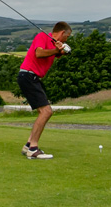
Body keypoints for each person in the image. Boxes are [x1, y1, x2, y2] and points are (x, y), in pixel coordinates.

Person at [17, 21, 72, 159]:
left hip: (32, 77)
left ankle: (28, 145)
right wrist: (57, 50)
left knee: (45, 111)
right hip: (28, 75)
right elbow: (39, 53)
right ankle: (33, 148)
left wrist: (63, 50)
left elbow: (59, 54)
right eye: (67, 36)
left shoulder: (53, 43)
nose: (67, 39)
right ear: (62, 33)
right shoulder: (42, 36)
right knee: (46, 111)